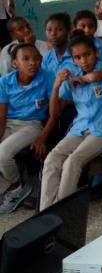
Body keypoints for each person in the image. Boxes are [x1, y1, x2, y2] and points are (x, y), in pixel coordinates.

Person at [37, 32, 102, 210]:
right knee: (52, 158)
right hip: (79, 130)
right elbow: (54, 112)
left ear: (96, 52)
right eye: (77, 57)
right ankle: (44, 213)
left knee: (73, 161)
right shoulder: (71, 76)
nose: (83, 61)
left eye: (87, 54)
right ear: (73, 60)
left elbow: (96, 77)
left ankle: (61, 212)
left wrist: (80, 79)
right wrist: (57, 85)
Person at [0, 44, 53, 214]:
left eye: (37, 58)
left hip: (32, 125)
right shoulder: (4, 82)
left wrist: (42, 138)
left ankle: (17, 187)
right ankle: (8, 186)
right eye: (26, 59)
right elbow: (1, 115)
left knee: (2, 153)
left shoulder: (47, 78)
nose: (33, 63)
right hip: (8, 122)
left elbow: (55, 111)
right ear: (15, 63)